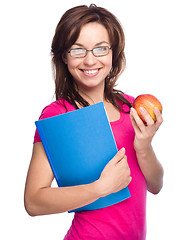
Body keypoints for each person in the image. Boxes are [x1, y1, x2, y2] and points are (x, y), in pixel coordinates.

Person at [24, 4, 164, 240]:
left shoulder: (132, 107)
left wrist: (144, 146)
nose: (90, 60)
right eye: (78, 50)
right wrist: (100, 188)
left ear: (113, 53)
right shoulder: (59, 115)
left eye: (100, 49)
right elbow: (33, 201)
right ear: (64, 57)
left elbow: (156, 185)